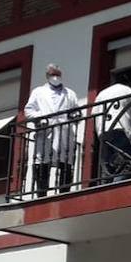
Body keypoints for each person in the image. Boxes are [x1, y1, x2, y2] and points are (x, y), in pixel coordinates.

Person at [23, 63, 80, 196]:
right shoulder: (38, 92)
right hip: (46, 133)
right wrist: (40, 118)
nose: (55, 77)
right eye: (53, 74)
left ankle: (64, 193)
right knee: (43, 163)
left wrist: (76, 115)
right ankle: (41, 194)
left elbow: (76, 110)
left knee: (65, 164)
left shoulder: (70, 93)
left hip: (65, 133)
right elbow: (28, 110)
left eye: (57, 75)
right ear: (47, 76)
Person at [94, 74, 131, 183]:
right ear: (127, 83)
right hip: (120, 131)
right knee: (126, 163)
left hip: (103, 134)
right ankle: (116, 186)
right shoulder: (127, 90)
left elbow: (94, 115)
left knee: (108, 166)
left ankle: (104, 189)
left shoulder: (101, 94)